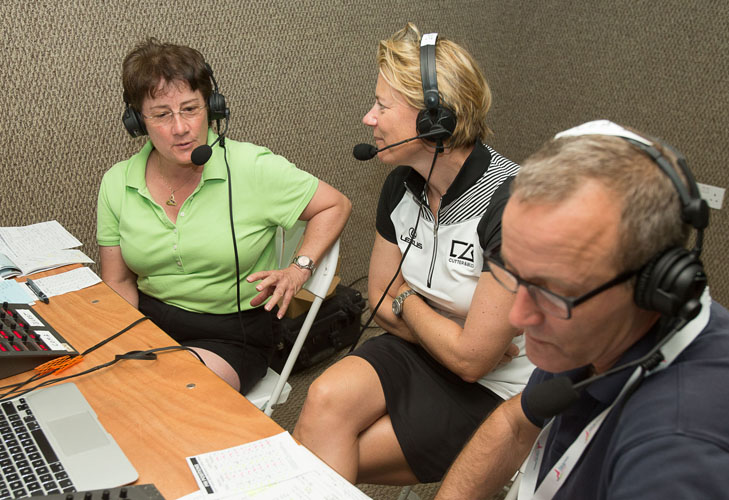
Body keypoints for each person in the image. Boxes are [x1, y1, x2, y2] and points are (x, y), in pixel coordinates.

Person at [435, 120, 729, 499]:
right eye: (512, 271)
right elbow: (515, 423)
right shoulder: (595, 327)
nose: (518, 318)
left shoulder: (680, 457)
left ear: (652, 285)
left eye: (552, 292)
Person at [293, 23, 535, 485]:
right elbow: (382, 299)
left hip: (498, 388)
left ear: (434, 120)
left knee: (326, 453)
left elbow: (471, 363)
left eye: (382, 106)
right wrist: (437, 324)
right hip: (420, 349)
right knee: (324, 399)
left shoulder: (513, 205)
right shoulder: (402, 182)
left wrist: (407, 300)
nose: (369, 118)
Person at [96, 39, 351, 394]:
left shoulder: (252, 167)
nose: (180, 127)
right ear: (138, 121)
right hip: (150, 321)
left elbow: (334, 204)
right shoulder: (117, 182)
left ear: (212, 108)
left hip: (233, 334)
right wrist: (123, 342)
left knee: (168, 393)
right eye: (161, 114)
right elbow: (119, 283)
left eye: (190, 109)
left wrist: (298, 269)